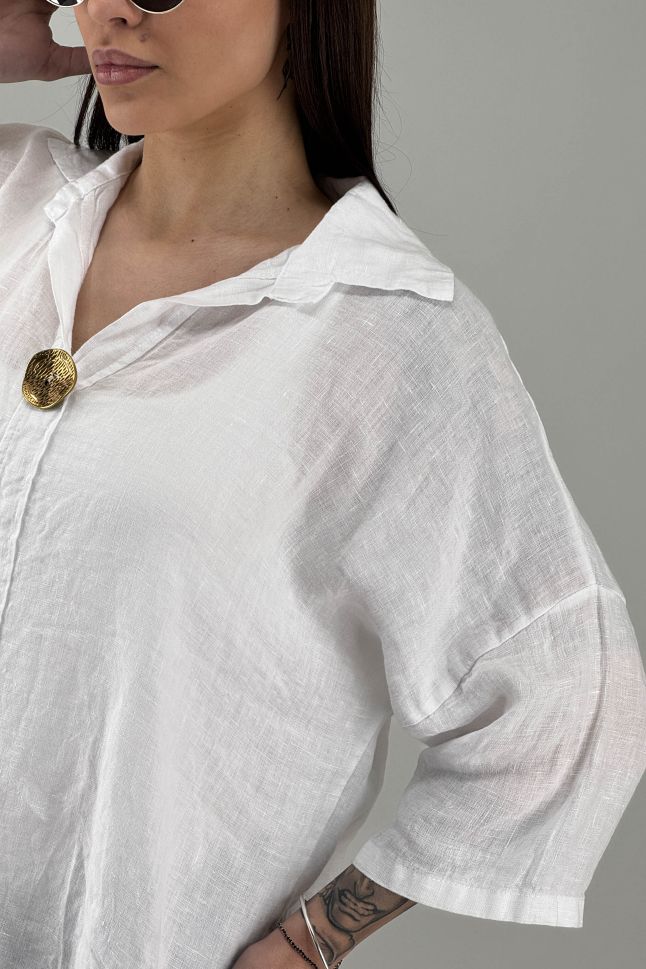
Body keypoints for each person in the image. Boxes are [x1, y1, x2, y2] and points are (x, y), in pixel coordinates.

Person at [0, 2, 645, 969]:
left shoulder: (382, 331)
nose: (111, 9)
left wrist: (312, 943)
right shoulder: (15, 196)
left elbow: (564, 691)